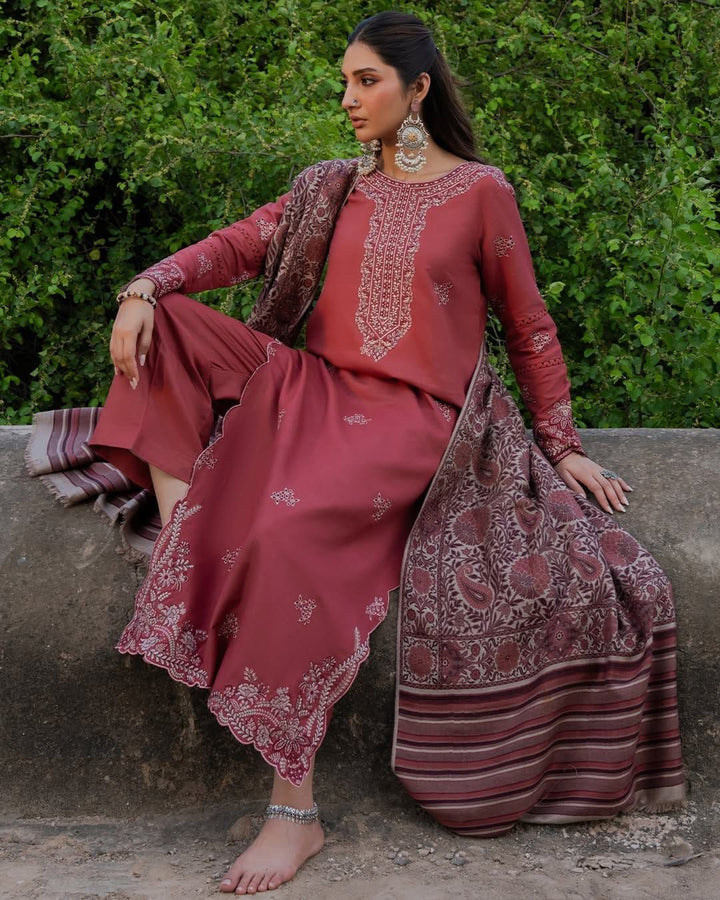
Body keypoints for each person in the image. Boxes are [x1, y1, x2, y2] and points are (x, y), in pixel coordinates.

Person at [30, 11, 683, 896]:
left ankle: (293, 813)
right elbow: (239, 245)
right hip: (312, 389)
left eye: (366, 80)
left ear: (418, 89)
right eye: (343, 81)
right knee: (172, 322)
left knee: (288, 536)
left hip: (416, 419)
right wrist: (145, 285)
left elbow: (529, 325)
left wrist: (559, 445)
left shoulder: (481, 191)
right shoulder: (329, 187)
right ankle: (187, 537)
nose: (347, 97)